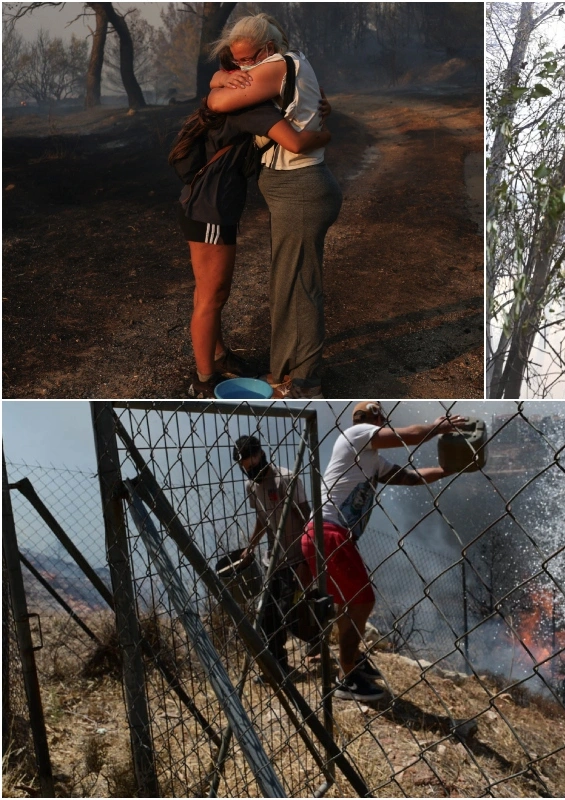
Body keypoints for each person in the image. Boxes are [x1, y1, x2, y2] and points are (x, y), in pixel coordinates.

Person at [170, 47, 332, 399]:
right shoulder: (252, 109)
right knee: (213, 296)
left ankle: (216, 354)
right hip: (211, 210)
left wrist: (220, 80)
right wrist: (325, 136)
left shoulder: (234, 98)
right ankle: (204, 379)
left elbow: (213, 91)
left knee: (207, 293)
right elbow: (296, 141)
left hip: (199, 203)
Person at [207, 13, 342, 399]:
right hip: (295, 188)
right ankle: (284, 372)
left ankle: (305, 382)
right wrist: (223, 76)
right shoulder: (291, 63)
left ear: (267, 48)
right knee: (286, 283)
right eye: (235, 60)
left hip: (300, 189)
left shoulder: (276, 66)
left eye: (247, 59)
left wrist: (220, 81)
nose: (241, 68)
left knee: (299, 285)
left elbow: (217, 102)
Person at [301, 402, 467, 702]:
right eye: (381, 418)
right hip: (330, 532)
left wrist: (447, 470)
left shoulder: (371, 461)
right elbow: (408, 435)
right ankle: (347, 677)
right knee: (363, 601)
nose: (384, 423)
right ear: (372, 419)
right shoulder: (357, 434)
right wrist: (439, 427)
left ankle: (348, 662)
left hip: (324, 534)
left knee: (349, 604)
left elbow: (410, 477)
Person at [233, 435, 318, 673]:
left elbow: (306, 518)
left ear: (261, 454)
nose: (250, 473)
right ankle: (280, 667)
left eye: (252, 466)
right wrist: (250, 546)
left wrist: (305, 561)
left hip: (295, 558)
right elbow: (262, 519)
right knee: (268, 617)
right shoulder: (252, 486)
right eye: (245, 470)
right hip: (273, 561)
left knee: (292, 615)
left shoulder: (286, 479)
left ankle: (317, 638)